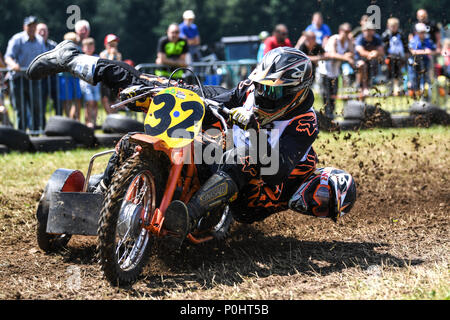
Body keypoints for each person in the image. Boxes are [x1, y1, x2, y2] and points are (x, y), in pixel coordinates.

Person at [27, 42, 357, 249]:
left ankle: (185, 215)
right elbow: (221, 96)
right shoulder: (250, 89)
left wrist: (254, 125)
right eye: (261, 88)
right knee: (161, 88)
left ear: (296, 92)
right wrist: (170, 90)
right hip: (218, 156)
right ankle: (72, 58)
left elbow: (278, 170)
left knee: (248, 155)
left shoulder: (304, 123)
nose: (263, 96)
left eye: (273, 92)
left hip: (249, 185)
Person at [4, 16, 46, 131]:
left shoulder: (40, 40)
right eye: (29, 26)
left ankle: (35, 132)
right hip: (19, 79)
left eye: (34, 26)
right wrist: (14, 65)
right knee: (20, 108)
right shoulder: (16, 39)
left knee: (36, 107)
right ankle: (21, 133)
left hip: (34, 79)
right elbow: (8, 57)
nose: (32, 28)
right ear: (24, 27)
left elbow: (43, 57)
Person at [317, 23, 354, 119]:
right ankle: (326, 116)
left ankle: (331, 116)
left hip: (335, 71)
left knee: (334, 95)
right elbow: (332, 54)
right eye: (346, 32)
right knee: (326, 96)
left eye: (349, 32)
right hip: (325, 71)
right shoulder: (334, 39)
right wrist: (346, 57)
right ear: (340, 31)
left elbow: (352, 53)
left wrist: (348, 54)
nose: (347, 34)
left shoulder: (347, 41)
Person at [407, 23, 437, 99]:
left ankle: (426, 98)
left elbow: (434, 50)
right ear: (416, 32)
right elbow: (413, 51)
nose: (423, 34)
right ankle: (416, 98)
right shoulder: (413, 41)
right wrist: (425, 51)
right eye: (421, 32)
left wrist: (429, 52)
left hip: (425, 64)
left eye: (424, 32)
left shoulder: (428, 40)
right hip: (415, 65)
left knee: (427, 81)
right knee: (414, 81)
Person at [354, 22, 384, 95]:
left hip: (372, 62)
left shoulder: (376, 38)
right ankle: (362, 86)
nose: (368, 32)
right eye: (367, 30)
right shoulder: (360, 39)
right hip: (359, 61)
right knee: (362, 65)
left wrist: (376, 53)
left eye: (370, 30)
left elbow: (381, 51)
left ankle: (369, 83)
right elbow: (361, 52)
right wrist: (372, 53)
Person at [36, 23, 59, 115]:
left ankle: (59, 124)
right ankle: (42, 126)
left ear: (48, 32)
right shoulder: (34, 45)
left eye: (44, 30)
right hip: (40, 79)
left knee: (57, 101)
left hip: (53, 77)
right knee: (41, 103)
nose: (42, 33)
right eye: (40, 31)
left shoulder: (53, 45)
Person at [381, 18, 408, 96]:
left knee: (399, 73)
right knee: (389, 74)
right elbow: (383, 47)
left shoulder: (401, 34)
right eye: (392, 26)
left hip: (400, 57)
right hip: (389, 57)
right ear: (388, 26)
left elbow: (405, 45)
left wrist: (406, 54)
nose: (393, 28)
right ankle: (390, 89)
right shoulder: (386, 35)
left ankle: (399, 88)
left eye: (395, 26)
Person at [58, 32, 82, 119]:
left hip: (75, 78)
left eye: (75, 41)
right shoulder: (61, 50)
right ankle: (69, 119)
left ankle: (76, 119)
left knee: (77, 99)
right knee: (67, 100)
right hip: (65, 78)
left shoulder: (78, 49)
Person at [80, 38, 100, 129]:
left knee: (95, 102)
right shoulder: (81, 58)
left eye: (91, 46)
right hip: (86, 83)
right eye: (87, 46)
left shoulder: (97, 58)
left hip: (95, 83)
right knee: (89, 102)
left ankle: (94, 121)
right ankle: (88, 122)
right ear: (83, 48)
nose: (89, 48)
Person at [100, 34, 122, 113]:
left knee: (114, 100)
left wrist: (115, 55)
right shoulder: (103, 54)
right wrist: (112, 54)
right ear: (106, 45)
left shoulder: (118, 54)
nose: (113, 46)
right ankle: (110, 115)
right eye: (111, 44)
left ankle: (114, 115)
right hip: (105, 80)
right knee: (105, 99)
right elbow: (108, 64)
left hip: (114, 80)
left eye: (115, 44)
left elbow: (119, 65)